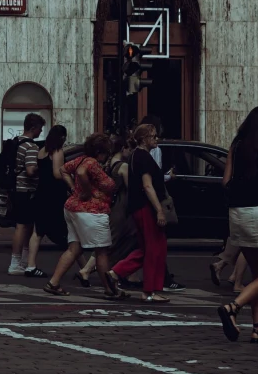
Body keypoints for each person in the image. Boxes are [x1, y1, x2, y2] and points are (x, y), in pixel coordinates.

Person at [218, 105, 258, 344]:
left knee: (257, 273)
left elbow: (225, 181)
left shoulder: (236, 147)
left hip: (236, 214)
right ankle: (233, 308)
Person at [49, 133, 122, 299]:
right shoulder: (92, 163)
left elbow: (63, 170)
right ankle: (110, 290)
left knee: (74, 248)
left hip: (73, 208)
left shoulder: (81, 159)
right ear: (100, 151)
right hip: (91, 211)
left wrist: (74, 190)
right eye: (106, 152)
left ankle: (53, 282)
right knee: (102, 251)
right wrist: (87, 192)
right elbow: (81, 173)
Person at [111, 120, 169, 301]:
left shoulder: (136, 155)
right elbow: (147, 185)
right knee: (154, 248)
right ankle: (149, 291)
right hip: (146, 208)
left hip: (140, 207)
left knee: (150, 248)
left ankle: (117, 272)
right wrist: (159, 210)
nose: (156, 139)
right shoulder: (143, 157)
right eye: (153, 136)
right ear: (144, 139)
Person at [22, 124, 68, 276]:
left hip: (40, 193)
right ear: (62, 137)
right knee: (69, 233)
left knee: (38, 232)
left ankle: (30, 266)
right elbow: (56, 173)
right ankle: (83, 269)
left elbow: (37, 169)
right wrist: (69, 176)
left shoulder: (42, 151)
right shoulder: (57, 151)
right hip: (54, 195)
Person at [5, 114, 46, 277]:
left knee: (26, 226)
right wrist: (40, 165)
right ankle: (15, 263)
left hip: (16, 189)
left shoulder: (16, 142)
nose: (40, 132)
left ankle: (21, 261)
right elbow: (30, 170)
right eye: (40, 129)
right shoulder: (30, 146)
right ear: (33, 128)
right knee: (22, 227)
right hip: (26, 190)